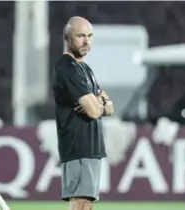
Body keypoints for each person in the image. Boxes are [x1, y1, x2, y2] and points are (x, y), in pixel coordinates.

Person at [51, 16, 114, 210]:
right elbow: (95, 111)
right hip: (77, 144)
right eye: (80, 36)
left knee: (87, 203)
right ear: (66, 36)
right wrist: (99, 104)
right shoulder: (68, 68)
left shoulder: (85, 69)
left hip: (90, 147)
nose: (86, 41)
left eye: (90, 36)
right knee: (81, 202)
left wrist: (100, 104)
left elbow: (109, 108)